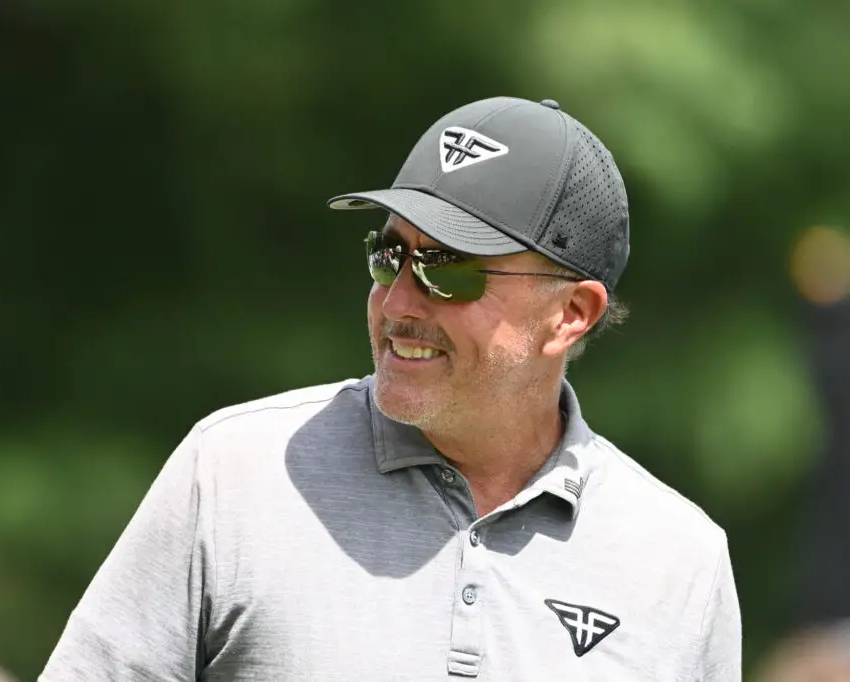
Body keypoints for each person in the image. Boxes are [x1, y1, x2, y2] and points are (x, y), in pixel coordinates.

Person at [40, 96, 742, 680]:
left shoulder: (681, 563)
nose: (399, 301)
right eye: (390, 254)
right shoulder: (232, 473)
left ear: (571, 314)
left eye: (450, 268)